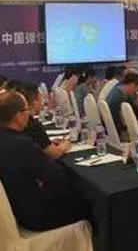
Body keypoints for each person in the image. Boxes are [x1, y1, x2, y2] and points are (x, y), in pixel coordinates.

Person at [0, 91, 89, 231]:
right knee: (90, 201)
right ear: (18, 116)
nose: (29, 114)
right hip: (37, 215)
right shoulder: (22, 144)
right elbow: (56, 176)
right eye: (26, 110)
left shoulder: (7, 138)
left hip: (18, 209)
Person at [18, 83, 71, 158]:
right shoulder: (33, 125)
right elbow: (54, 153)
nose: (42, 103)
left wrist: (48, 143)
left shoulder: (19, 121)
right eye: (41, 99)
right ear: (35, 101)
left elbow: (35, 145)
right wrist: (64, 145)